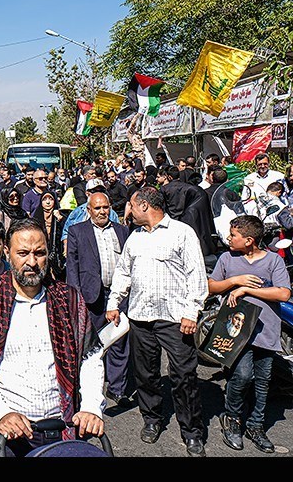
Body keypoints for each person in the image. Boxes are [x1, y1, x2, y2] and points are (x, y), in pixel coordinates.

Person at [0, 218, 105, 456]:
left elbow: (90, 356)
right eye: (23, 253)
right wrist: (0, 412)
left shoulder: (68, 299)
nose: (32, 262)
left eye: (39, 253)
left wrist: (90, 406)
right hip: (9, 433)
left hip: (63, 428)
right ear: (7, 253)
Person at [106, 186, 208, 457]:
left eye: (131, 205)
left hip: (175, 319)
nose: (127, 210)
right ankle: (152, 419)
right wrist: (114, 303)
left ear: (144, 206)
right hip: (141, 317)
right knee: (146, 373)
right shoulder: (134, 238)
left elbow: (196, 275)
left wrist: (191, 312)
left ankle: (192, 431)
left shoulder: (182, 233)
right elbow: (123, 272)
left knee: (184, 375)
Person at [208, 215, 291, 453]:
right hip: (236, 331)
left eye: (233, 235)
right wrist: (235, 281)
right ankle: (233, 419)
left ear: (249, 240)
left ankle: (256, 425)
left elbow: (283, 294)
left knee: (263, 381)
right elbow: (212, 286)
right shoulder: (227, 258)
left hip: (266, 330)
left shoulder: (273, 261)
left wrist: (246, 289)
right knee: (243, 375)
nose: (228, 238)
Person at [66, 192, 132, 406]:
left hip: (117, 295)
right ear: (89, 210)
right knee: (90, 343)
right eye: (98, 208)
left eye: (105, 207)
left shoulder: (122, 231)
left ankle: (117, 388)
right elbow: (72, 266)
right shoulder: (78, 231)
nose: (102, 212)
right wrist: (75, 296)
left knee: (119, 340)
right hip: (90, 294)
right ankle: (87, 387)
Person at [32, 191, 65, 280]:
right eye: (44, 199)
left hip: (58, 257)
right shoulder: (36, 217)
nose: (47, 202)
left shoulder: (61, 216)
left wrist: (60, 220)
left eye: (51, 199)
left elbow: (66, 233)